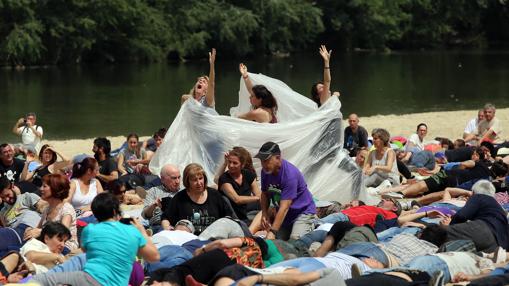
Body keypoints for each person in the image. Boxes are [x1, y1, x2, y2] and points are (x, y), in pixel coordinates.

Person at [30, 192, 159, 285]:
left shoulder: (90, 230)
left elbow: (86, 251)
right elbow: (154, 257)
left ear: (95, 214)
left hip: (88, 278)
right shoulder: (131, 231)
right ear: (115, 211)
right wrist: (141, 231)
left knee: (41, 280)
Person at [255, 141, 316, 240]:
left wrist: (273, 232)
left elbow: (285, 207)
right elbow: (264, 194)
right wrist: (264, 213)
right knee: (278, 242)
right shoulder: (265, 171)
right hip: (287, 216)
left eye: (266, 160)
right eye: (261, 161)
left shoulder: (289, 175)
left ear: (278, 158)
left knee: (295, 241)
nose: (263, 164)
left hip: (302, 213)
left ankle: (313, 225)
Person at [160, 163, 232, 233]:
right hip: (188, 241)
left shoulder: (215, 195)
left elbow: (228, 216)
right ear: (187, 181)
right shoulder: (179, 198)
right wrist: (167, 228)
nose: (199, 182)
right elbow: (165, 218)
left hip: (214, 239)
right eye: (194, 180)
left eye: (200, 178)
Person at [441, 180, 509, 252]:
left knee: (437, 232)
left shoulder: (478, 196)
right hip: (498, 244)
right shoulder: (498, 207)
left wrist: (449, 226)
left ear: (473, 192)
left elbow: (461, 216)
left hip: (484, 229)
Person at [23, 174, 78, 250]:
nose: (41, 189)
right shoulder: (47, 209)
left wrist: (40, 232)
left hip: (65, 247)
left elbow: (63, 234)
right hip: (49, 244)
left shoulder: (66, 209)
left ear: (55, 189)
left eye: (44, 186)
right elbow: (38, 228)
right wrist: (30, 230)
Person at [217, 147, 261, 221]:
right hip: (233, 216)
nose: (231, 165)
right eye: (229, 162)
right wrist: (257, 198)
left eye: (235, 163)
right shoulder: (224, 178)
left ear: (242, 165)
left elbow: (259, 194)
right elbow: (237, 199)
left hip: (246, 211)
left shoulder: (248, 175)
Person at [143, 164, 181, 232]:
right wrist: (154, 206)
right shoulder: (154, 191)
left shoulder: (184, 192)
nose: (177, 181)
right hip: (158, 225)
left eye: (179, 177)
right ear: (163, 179)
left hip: (179, 226)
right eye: (174, 178)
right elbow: (146, 215)